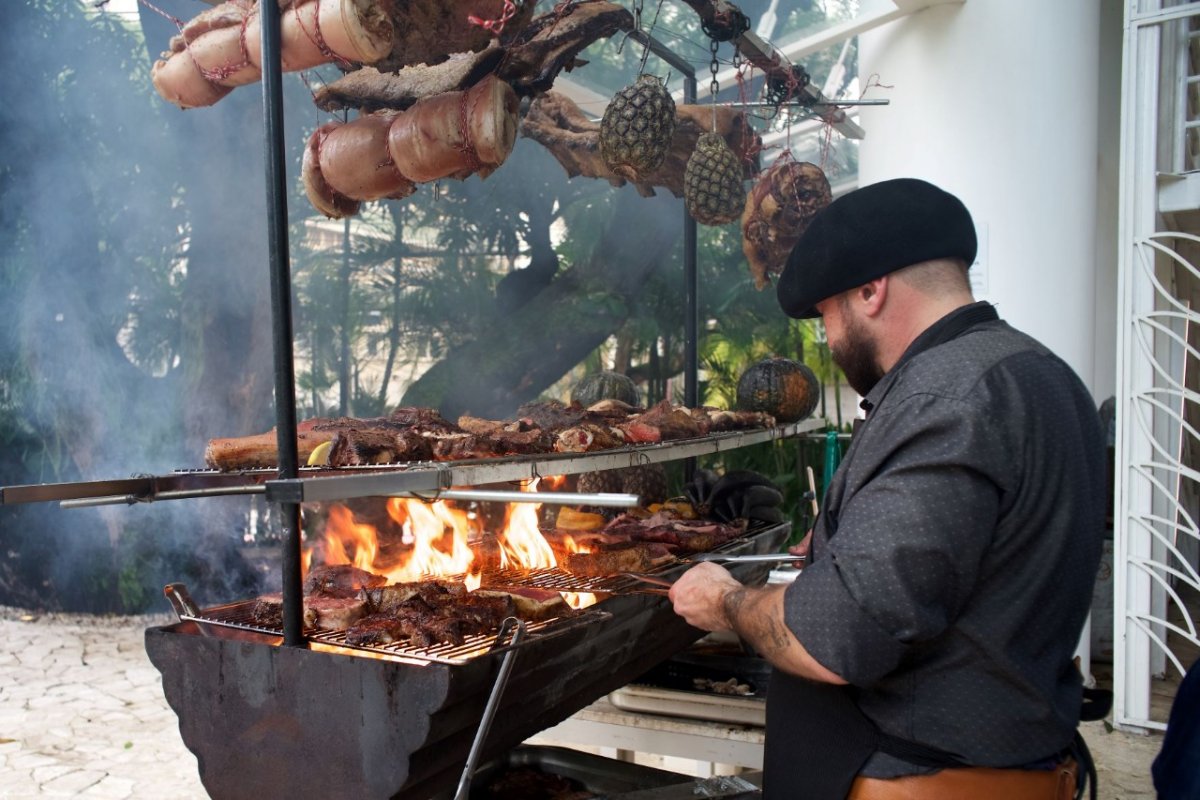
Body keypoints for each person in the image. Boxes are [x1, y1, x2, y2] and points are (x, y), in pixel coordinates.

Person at [669, 178, 1106, 799]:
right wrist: (845, 546)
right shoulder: (1041, 373)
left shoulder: (943, 398)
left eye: (827, 314)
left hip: (919, 780)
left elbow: (837, 641)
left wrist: (729, 602)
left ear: (870, 291)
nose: (829, 338)